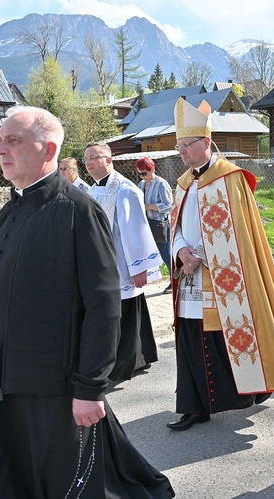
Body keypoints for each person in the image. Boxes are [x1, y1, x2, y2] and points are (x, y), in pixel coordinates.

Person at [0, 106, 174, 498]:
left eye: (12, 140)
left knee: (62, 483)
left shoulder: (79, 211)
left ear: (48, 151)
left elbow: (103, 305)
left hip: (52, 384)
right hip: (2, 377)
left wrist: (91, 388)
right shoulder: (10, 209)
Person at [168, 97, 274, 431]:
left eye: (186, 145)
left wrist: (211, 259)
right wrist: (182, 251)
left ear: (206, 142)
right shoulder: (183, 184)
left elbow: (243, 234)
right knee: (191, 339)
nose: (180, 151)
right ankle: (194, 406)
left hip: (227, 277)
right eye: (178, 145)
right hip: (190, 275)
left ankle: (256, 386)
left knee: (234, 336)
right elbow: (176, 225)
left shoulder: (232, 178)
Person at [85, 142, 162, 382]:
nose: (89, 162)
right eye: (86, 158)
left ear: (109, 160)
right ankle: (136, 357)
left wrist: (140, 268)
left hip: (123, 266)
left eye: (95, 157)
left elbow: (136, 230)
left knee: (126, 313)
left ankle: (126, 363)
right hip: (102, 265)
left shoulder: (125, 190)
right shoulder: (91, 190)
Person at [136, 157, 175, 293]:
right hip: (146, 223)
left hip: (160, 224)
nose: (142, 176)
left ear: (152, 169)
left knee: (166, 254)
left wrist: (150, 207)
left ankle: (175, 281)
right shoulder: (141, 184)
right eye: (139, 173)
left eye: (144, 173)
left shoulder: (161, 183)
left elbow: (169, 206)